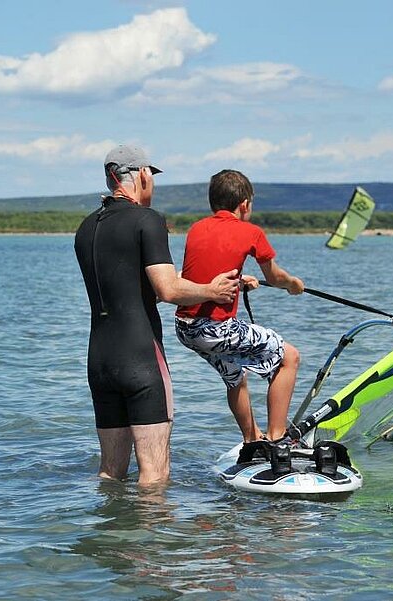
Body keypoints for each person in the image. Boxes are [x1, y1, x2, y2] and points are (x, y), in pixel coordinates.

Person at [74, 145, 240, 486]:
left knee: (110, 473)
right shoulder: (148, 221)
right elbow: (168, 290)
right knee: (155, 474)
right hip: (140, 360)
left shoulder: (86, 227)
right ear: (143, 175)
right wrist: (213, 291)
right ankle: (149, 541)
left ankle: (111, 538)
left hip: (100, 361)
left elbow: (127, 287)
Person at [174, 169, 304, 445]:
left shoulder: (197, 228)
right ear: (244, 204)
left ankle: (252, 440)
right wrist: (293, 284)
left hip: (186, 328)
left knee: (234, 375)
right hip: (215, 329)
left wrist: (239, 281)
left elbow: (203, 274)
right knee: (289, 358)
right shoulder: (251, 232)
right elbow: (275, 278)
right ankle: (277, 438)